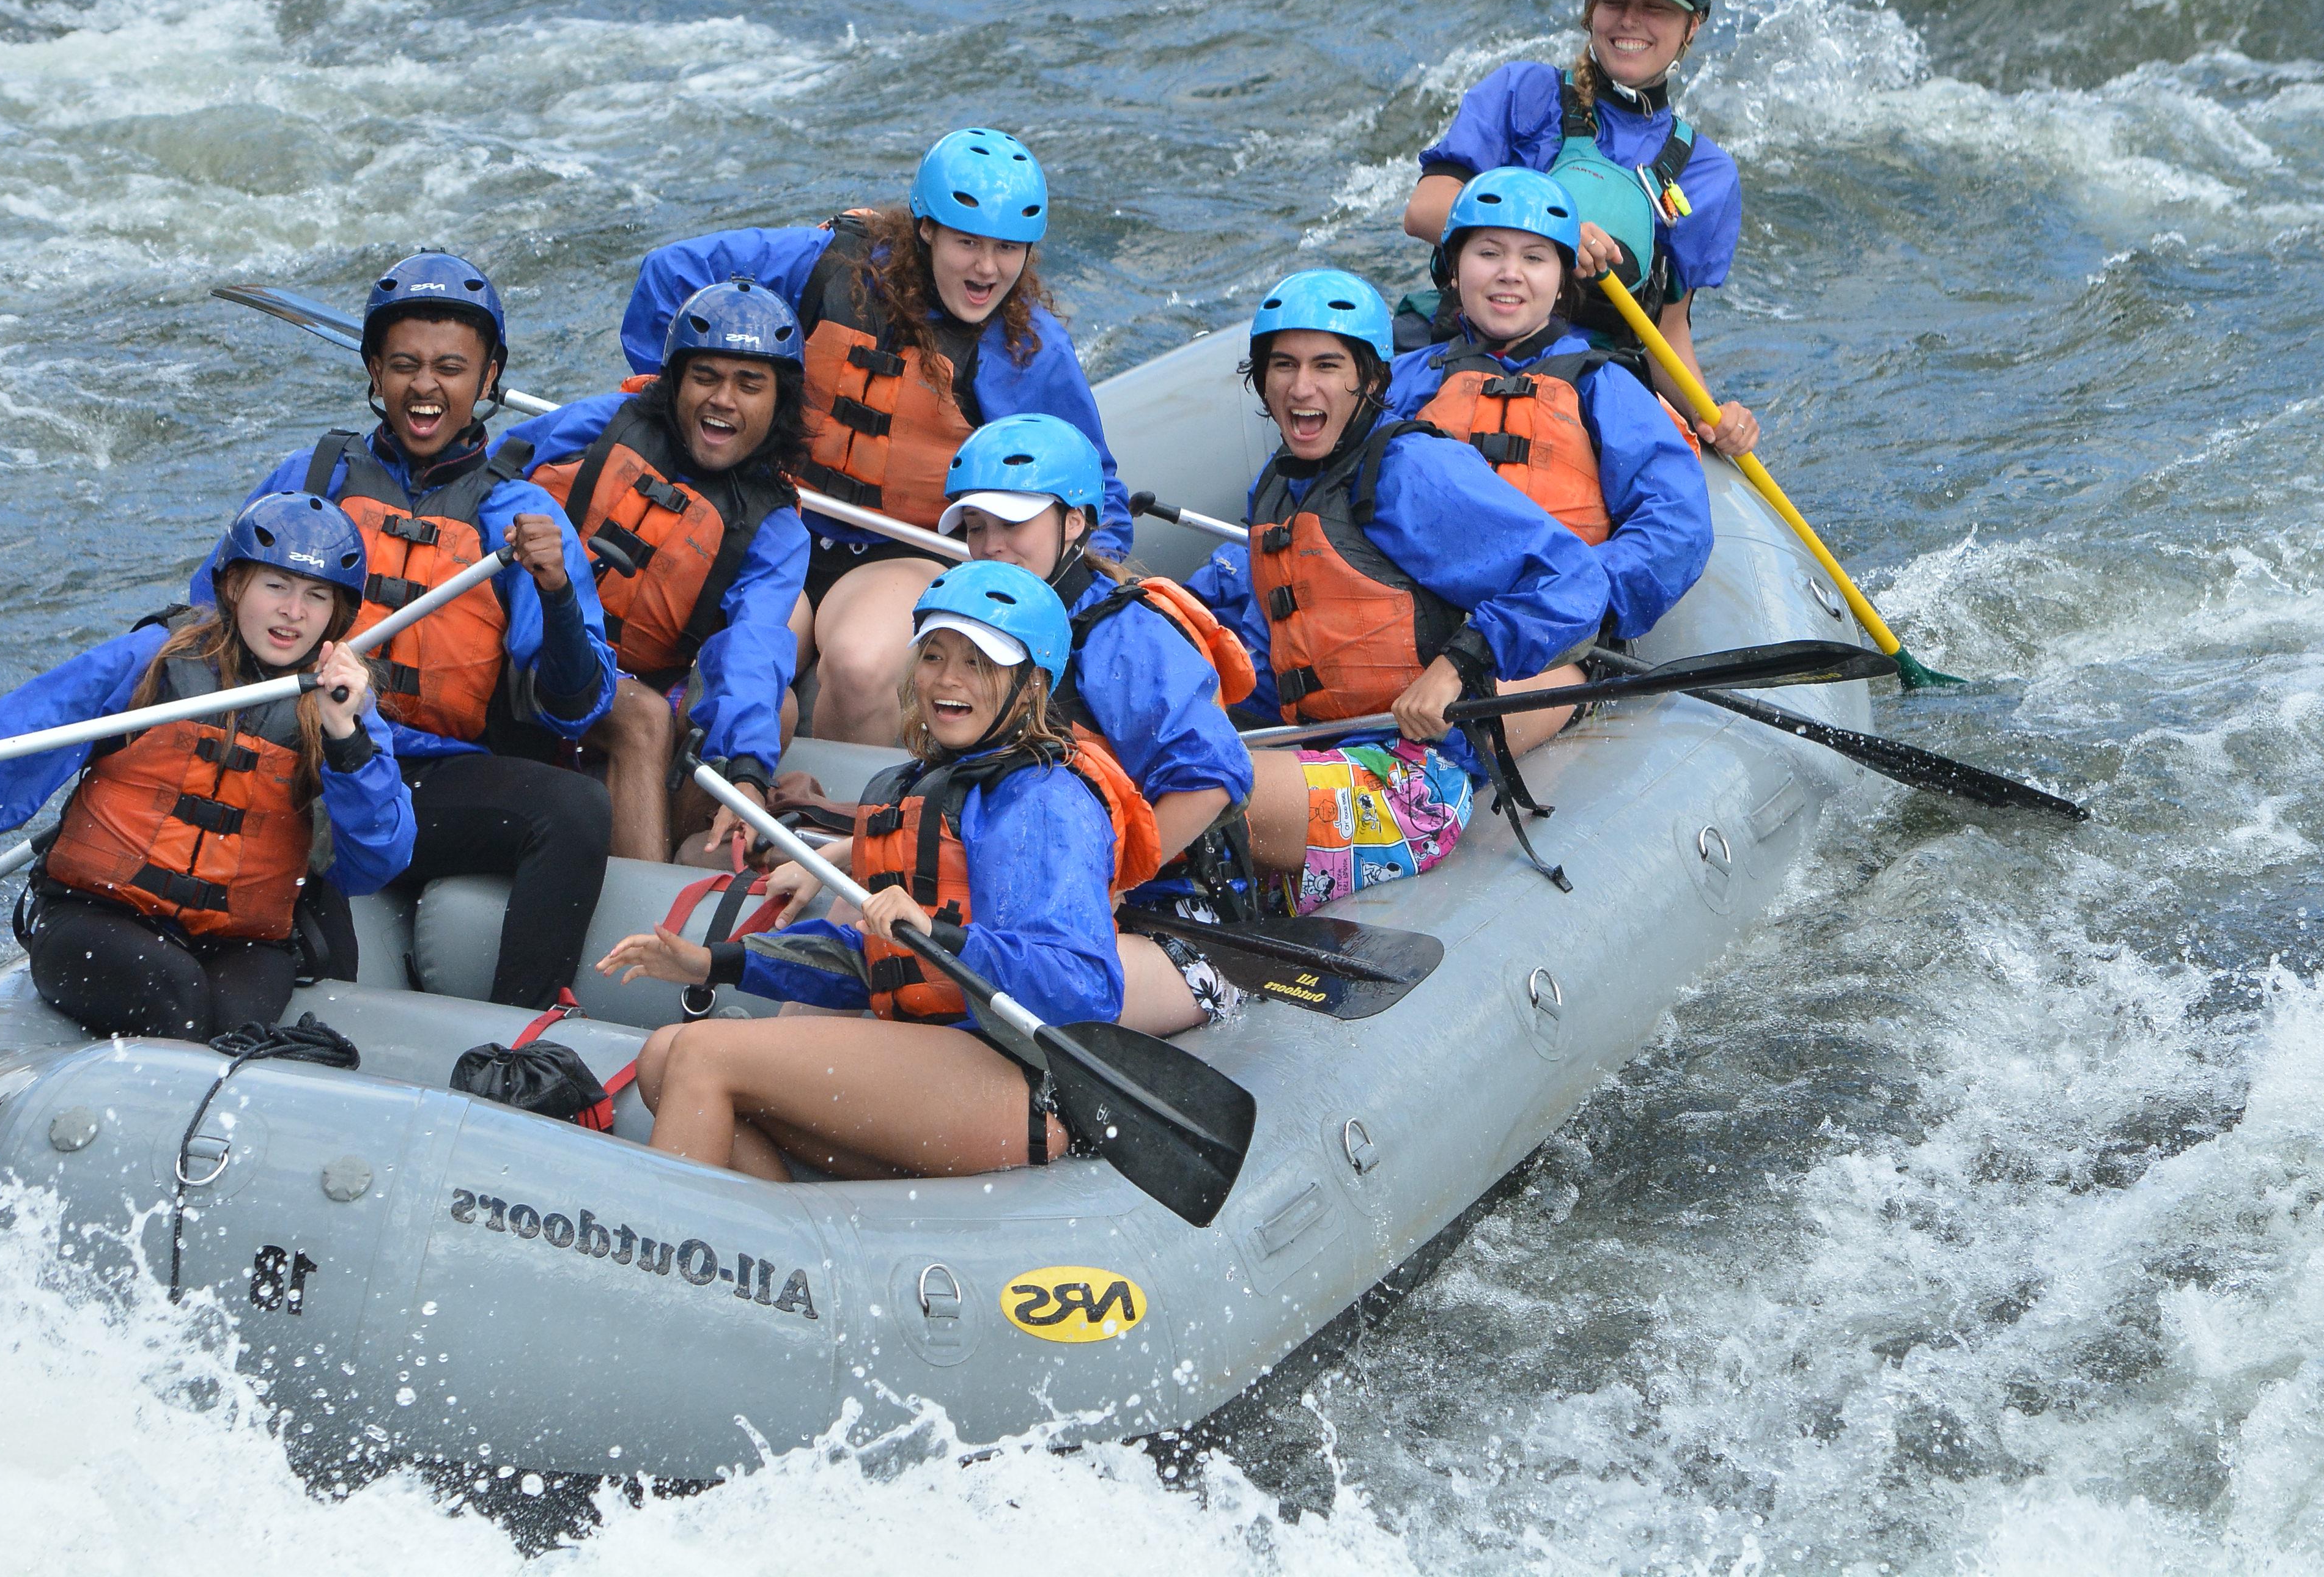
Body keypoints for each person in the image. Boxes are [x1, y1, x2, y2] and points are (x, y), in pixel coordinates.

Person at [597, 563, 1152, 1179]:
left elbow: (1085, 986)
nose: (946, 679)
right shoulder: (913, 786)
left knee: (700, 1055)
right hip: (926, 1059)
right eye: (934, 656)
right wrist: (714, 964)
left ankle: (673, 1260)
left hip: (1014, 1079)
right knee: (661, 1057)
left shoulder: (1045, 800)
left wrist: (944, 939)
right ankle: (769, 1251)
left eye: (977, 664)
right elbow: (869, 963)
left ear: (1029, 685)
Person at [616, 128, 1131, 745]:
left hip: (905, 553)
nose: (986, 268)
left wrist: (1083, 598)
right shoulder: (824, 265)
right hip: (780, 523)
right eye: (967, 242)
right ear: (926, 230)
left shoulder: (1028, 352)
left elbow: (1091, 490)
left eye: (1006, 248)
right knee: (736, 665)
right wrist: (678, 415)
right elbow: (670, 275)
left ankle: (835, 824)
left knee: (861, 666)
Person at [202, 252, 614, 1009]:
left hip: (427, 780)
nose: (426, 387)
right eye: (405, 365)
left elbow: (574, 704)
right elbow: (209, 618)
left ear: (487, 380)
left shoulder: (517, 517)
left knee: (575, 809)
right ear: (374, 372)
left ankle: (519, 1036)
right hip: (301, 758)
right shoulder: (311, 478)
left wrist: (555, 593)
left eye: (451, 367)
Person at [0, 493, 415, 1041]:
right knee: (177, 999)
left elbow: (376, 860)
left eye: (317, 596)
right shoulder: (153, 661)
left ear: (337, 613)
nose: (294, 612)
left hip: (237, 941)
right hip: (97, 916)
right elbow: (19, 739)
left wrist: (346, 741)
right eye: (276, 586)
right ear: (235, 586)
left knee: (240, 1032)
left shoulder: (346, 709)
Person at [1186, 270, 1609, 912]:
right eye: (1283, 365)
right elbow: (1281, 649)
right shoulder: (1277, 487)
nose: (1301, 387)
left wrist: (1457, 663)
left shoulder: (1410, 472)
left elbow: (1572, 577)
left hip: (1414, 781)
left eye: (1327, 365)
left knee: (1189, 785)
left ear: (1371, 381)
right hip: (1315, 752)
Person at [1398, 0, 1760, 457]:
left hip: (1585, 384)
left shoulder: (1705, 174)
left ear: (1694, 25)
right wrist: (1554, 231)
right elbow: (1425, 209)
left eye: (1656, 8)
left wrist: (1713, 419)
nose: (1630, 21)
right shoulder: (1524, 94)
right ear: (1591, 9)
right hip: (1465, 347)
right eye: (1615, 2)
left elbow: (1667, 334)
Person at [936, 414, 1254, 1032]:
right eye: (975, 528)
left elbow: (1213, 780)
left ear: (1074, 522)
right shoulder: (985, 634)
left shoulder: (1120, 634)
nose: (990, 546)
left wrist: (1109, 879)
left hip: (1173, 921)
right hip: (1038, 895)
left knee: (980, 1006)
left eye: (1012, 523)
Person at [495, 278, 809, 863]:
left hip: (639, 675)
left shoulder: (774, 527)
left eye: (750, 385)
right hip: (532, 652)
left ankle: (662, 846)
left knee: (773, 707)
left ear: (778, 402)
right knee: (639, 715)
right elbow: (490, 486)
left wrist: (747, 771)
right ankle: (639, 899)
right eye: (706, 377)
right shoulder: (602, 424)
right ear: (676, 382)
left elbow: (754, 643)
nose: (724, 400)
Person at [1387, 168, 1713, 645]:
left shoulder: (1602, 386)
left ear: (1562, 283)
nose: (1510, 273)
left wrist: (1569, 597)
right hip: (1410, 626)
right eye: (1488, 253)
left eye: (1534, 258)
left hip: (1547, 639)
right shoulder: (1404, 382)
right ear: (1454, 269)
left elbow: (1676, 522)